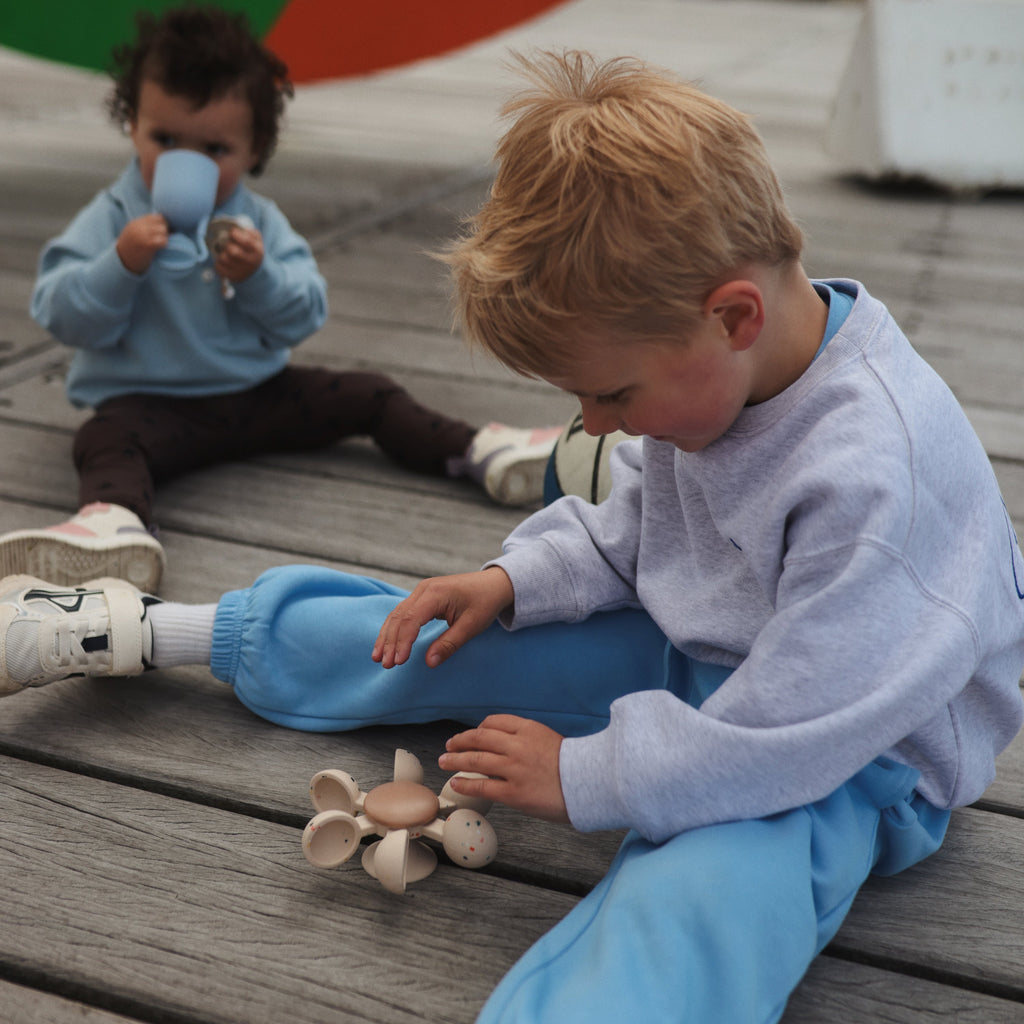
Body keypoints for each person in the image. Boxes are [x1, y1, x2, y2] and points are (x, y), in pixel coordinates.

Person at [2, 50, 1023, 1024]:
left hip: (847, 755)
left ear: (734, 315)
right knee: (441, 628)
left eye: (610, 389)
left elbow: (795, 725)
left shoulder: (872, 477)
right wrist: (516, 575)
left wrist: (590, 777)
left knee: (710, 890)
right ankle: (152, 630)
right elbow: (634, 525)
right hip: (709, 651)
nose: (597, 421)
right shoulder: (712, 370)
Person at [0, 6, 561, 595]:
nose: (181, 161)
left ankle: (477, 448)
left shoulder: (257, 223)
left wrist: (258, 273)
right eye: (163, 138)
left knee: (371, 393)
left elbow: (305, 313)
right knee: (102, 441)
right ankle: (115, 527)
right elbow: (59, 314)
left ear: (253, 149)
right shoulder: (113, 218)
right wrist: (120, 264)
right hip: (149, 408)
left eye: (213, 148)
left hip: (257, 395)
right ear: (132, 125)